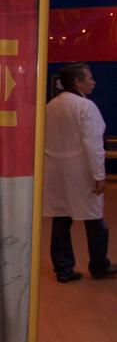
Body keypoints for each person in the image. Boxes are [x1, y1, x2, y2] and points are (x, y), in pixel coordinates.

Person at [43, 62, 115, 282]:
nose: (93, 82)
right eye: (90, 78)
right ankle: (99, 265)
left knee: (61, 220)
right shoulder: (86, 107)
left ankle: (63, 270)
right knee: (94, 219)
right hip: (82, 171)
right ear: (77, 82)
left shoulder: (51, 106)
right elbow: (93, 144)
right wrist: (99, 175)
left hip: (55, 171)